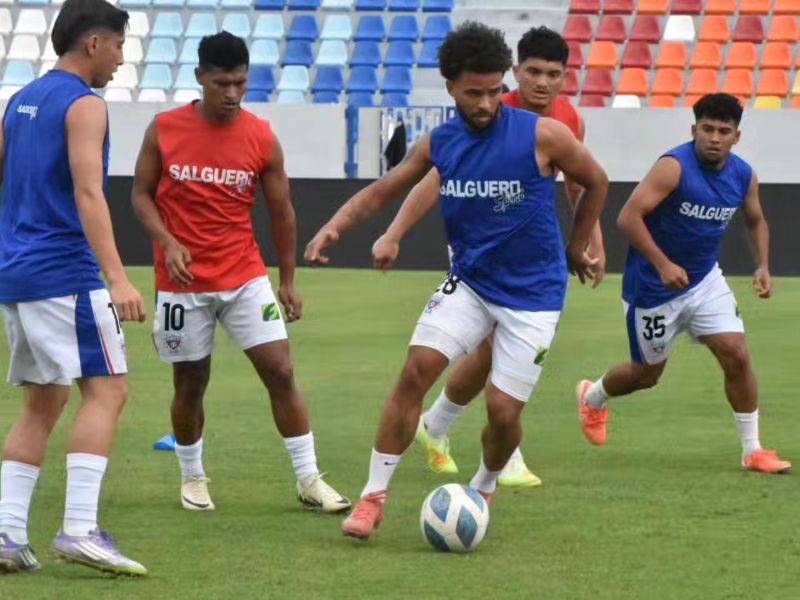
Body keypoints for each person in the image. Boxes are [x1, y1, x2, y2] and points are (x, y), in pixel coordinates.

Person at [305, 22, 608, 540]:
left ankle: (484, 485)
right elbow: (383, 190)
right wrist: (338, 224)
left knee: (502, 413)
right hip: (470, 282)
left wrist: (577, 246)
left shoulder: (545, 134)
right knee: (414, 372)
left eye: (494, 91)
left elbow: (596, 181)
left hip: (534, 296)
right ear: (450, 87)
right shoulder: (441, 142)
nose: (487, 103)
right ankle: (372, 497)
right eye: (475, 93)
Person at [371, 26, 606, 488]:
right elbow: (433, 180)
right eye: (533, 72)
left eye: (553, 74)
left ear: (564, 78)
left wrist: (590, 241)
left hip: (526, 255)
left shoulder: (567, 121)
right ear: (515, 73)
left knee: (487, 356)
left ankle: (436, 427)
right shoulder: (491, 108)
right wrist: (394, 231)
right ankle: (500, 453)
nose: (542, 82)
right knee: (488, 352)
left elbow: (580, 182)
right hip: (479, 250)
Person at [130, 32, 350, 514]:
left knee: (281, 370)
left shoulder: (260, 136)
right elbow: (141, 195)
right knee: (191, 381)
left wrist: (288, 280)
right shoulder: (163, 128)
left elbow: (282, 213)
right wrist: (166, 242)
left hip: (244, 275)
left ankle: (309, 479)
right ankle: (192, 477)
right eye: (222, 84)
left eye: (240, 84)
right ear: (200, 79)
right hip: (182, 284)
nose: (232, 94)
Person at [0, 0, 147, 576]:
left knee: (43, 399)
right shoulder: (86, 105)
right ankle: (79, 530)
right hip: (65, 271)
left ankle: (8, 533)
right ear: (93, 43)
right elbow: (89, 195)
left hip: (17, 274)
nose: (119, 58)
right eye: (117, 46)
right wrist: (116, 277)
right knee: (107, 390)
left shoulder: (19, 100)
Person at [576, 93, 791, 475]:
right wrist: (662, 264)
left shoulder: (744, 175)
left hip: (705, 280)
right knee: (647, 375)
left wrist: (762, 265)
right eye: (707, 129)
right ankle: (593, 396)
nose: (714, 137)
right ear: (694, 130)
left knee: (737, 355)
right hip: (652, 289)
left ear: (736, 137)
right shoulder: (673, 167)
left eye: (723, 131)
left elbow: (756, 219)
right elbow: (628, 217)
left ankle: (752, 450)